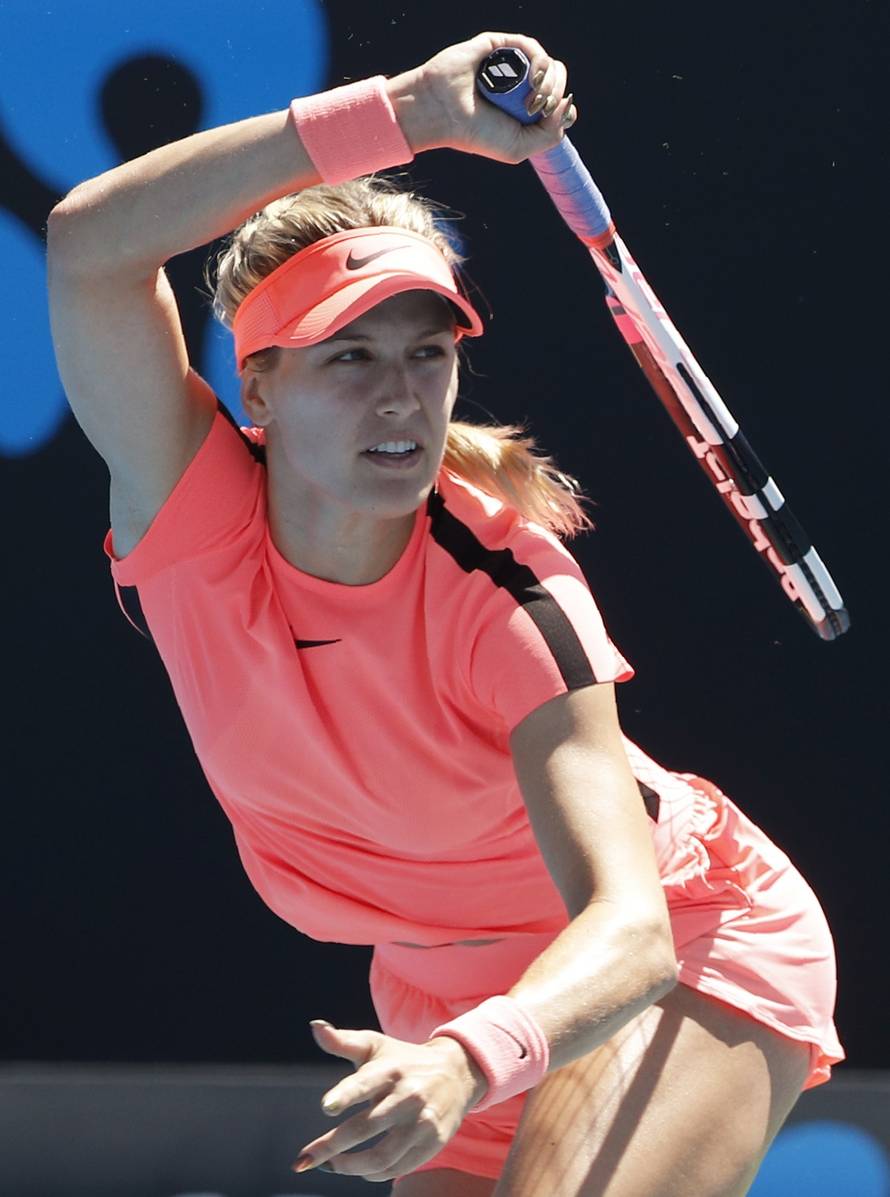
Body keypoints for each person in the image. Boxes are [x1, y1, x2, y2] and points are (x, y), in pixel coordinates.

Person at [47, 30, 843, 1197]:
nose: (398, 393)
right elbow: (88, 244)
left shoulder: (509, 595)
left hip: (678, 947)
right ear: (256, 383)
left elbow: (628, 926)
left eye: (427, 353)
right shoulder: (192, 518)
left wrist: (473, 1059)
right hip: (441, 988)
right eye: (348, 356)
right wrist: (409, 111)